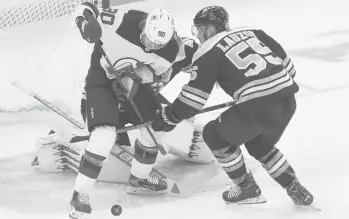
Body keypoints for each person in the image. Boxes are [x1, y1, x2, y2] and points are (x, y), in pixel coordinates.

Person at [151, 5, 314, 206]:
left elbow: (193, 99)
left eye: (199, 29)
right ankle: (295, 187)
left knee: (213, 134)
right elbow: (289, 68)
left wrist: (170, 116)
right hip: (287, 102)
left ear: (208, 29)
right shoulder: (254, 32)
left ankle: (247, 188)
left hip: (257, 108)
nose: (199, 35)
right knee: (259, 145)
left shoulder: (207, 51)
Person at [69, 3, 204, 219]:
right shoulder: (120, 21)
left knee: (158, 125)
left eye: (156, 45)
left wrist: (131, 81)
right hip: (101, 80)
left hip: (132, 79)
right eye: (148, 40)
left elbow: (153, 73)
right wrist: (85, 22)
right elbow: (83, 7)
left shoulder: (170, 50)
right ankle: (80, 195)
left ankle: (139, 179)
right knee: (104, 135)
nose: (150, 46)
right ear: (144, 27)